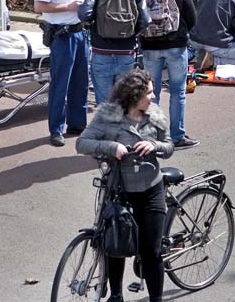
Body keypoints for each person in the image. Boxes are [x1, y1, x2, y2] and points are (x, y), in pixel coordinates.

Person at [75, 69, 174, 302]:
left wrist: (155, 146)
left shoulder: (155, 115)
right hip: (119, 192)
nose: (154, 96)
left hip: (151, 191)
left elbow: (169, 146)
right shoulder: (108, 117)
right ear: (133, 95)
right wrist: (112, 147)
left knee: (151, 252)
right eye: (148, 93)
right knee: (115, 245)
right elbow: (82, 143)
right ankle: (116, 295)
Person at [139, 0, 199, 150]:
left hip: (149, 45)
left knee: (150, 92)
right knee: (177, 91)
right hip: (176, 44)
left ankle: (151, 136)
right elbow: (192, 18)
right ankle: (177, 136)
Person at [35, 0, 92, 146]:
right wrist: (67, 7)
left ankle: (77, 123)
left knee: (81, 82)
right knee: (61, 84)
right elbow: (39, 6)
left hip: (79, 33)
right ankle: (56, 129)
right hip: (61, 35)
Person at [78, 0, 150, 106]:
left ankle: (106, 131)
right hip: (127, 53)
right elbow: (145, 20)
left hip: (101, 53)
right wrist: (130, 33)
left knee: (104, 105)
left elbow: (84, 14)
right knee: (125, 104)